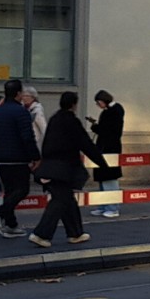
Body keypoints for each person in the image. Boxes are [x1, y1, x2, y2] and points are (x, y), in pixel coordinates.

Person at [30, 91, 106, 247]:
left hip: (50, 167)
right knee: (59, 200)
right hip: (64, 169)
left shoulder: (54, 119)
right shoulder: (72, 121)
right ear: (74, 104)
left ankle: (75, 233)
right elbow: (86, 144)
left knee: (67, 200)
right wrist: (102, 163)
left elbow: (46, 143)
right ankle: (41, 234)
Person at [0, 79, 40, 238]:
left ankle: (11, 224)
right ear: (18, 94)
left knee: (9, 191)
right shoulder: (21, 112)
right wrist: (35, 157)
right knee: (22, 189)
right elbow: (27, 137)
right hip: (17, 156)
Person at [87, 90, 125, 219]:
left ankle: (112, 207)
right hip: (105, 147)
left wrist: (95, 127)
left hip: (109, 148)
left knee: (109, 178)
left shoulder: (113, 112)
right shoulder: (111, 111)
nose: (98, 105)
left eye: (99, 103)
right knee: (103, 178)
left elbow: (108, 131)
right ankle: (103, 205)